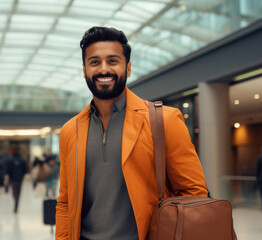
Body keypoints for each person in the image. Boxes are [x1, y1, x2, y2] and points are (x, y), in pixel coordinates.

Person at [55, 27, 207, 240]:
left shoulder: (164, 120)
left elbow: (194, 194)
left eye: (113, 61)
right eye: (95, 62)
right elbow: (65, 203)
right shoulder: (71, 130)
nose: (104, 69)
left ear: (128, 68)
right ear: (84, 70)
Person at [4, 146, 29, 213]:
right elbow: (25, 170)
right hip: (20, 179)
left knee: (14, 192)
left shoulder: (10, 160)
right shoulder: (22, 160)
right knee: (18, 192)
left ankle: (16, 202)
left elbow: (8, 170)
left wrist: (7, 177)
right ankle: (16, 203)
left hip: (13, 179)